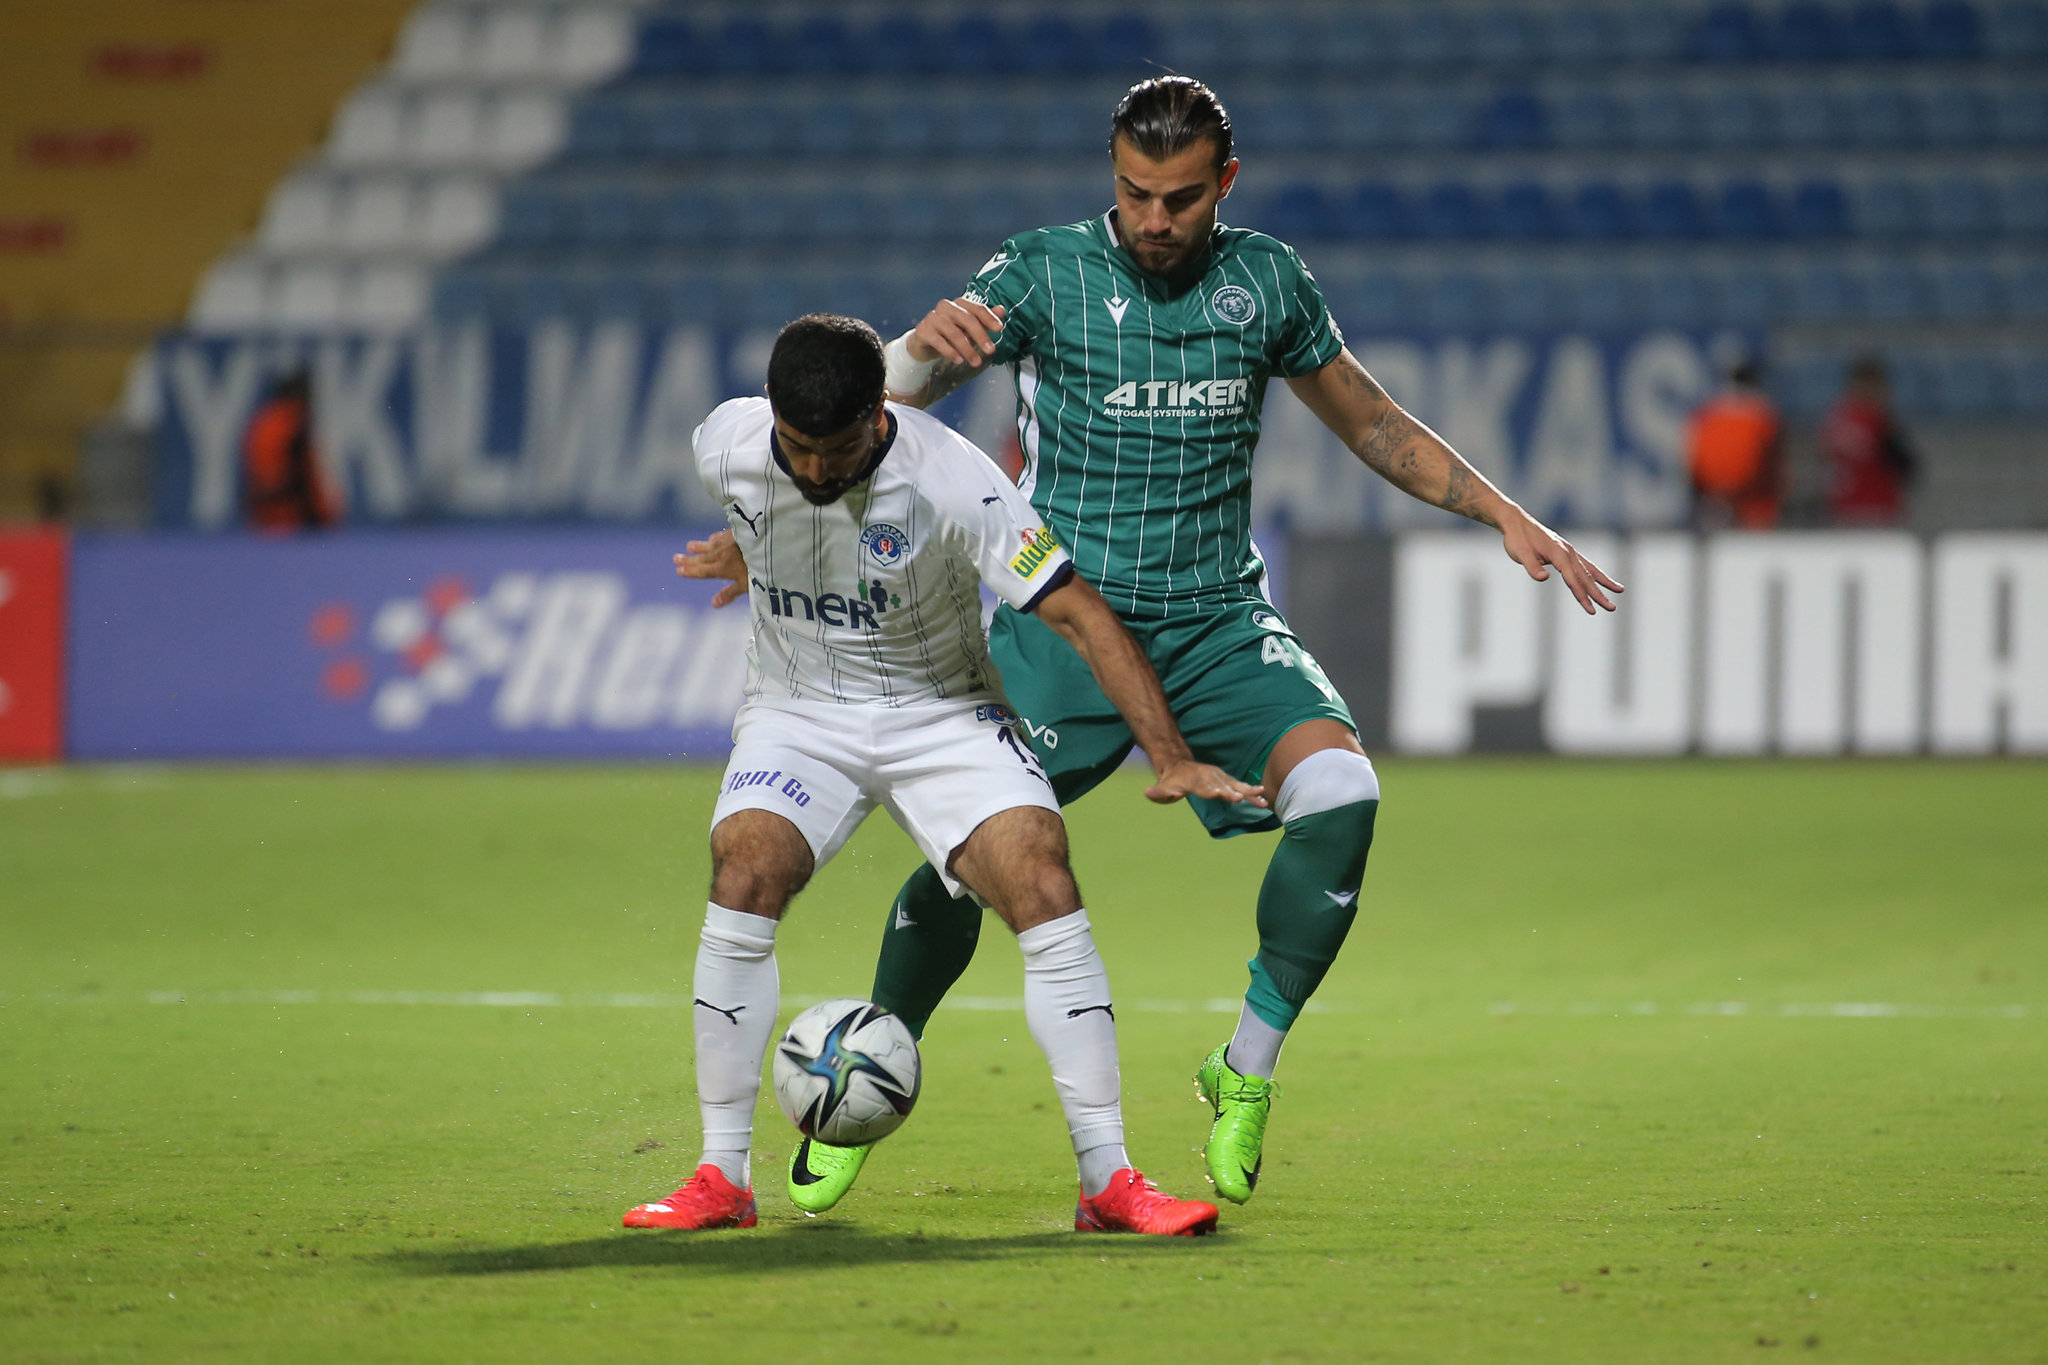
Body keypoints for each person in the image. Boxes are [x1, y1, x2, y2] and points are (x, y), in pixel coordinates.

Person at [681, 77, 1621, 1214]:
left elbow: (1371, 422)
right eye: (1134, 194)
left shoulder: (1268, 282)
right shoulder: (1039, 271)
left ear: (1225, 183)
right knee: (973, 868)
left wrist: (1501, 511)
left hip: (1217, 620)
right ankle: (864, 1075)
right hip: (1062, 625)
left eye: (1180, 198)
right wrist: (889, 376)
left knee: (1341, 794)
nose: (1155, 219)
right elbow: (873, 410)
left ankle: (1245, 1066)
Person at [625, 314, 1265, 1236]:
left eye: (838, 450)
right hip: (798, 713)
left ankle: (1109, 1180)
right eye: (798, 449)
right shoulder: (727, 441)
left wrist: (1169, 755)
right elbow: (763, 501)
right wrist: (749, 544)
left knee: (1041, 879)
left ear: (880, 413)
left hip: (943, 712)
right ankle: (721, 1176)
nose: (815, 470)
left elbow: (1080, 614)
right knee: (745, 868)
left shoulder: (955, 481)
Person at [1686, 358, 1783, 530]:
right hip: (1751, 502)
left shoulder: (1707, 411)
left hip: (1713, 498)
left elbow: (1692, 460)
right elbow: (1772, 463)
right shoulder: (1764, 413)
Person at [1821, 355, 1916, 526]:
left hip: (1844, 507)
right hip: (1877, 505)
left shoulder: (1836, 418)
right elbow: (1904, 462)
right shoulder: (1876, 420)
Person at [241, 369, 338, 531]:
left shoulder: (261, 423)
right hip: (293, 521)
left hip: (263, 521)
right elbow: (301, 480)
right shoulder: (293, 425)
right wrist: (320, 518)